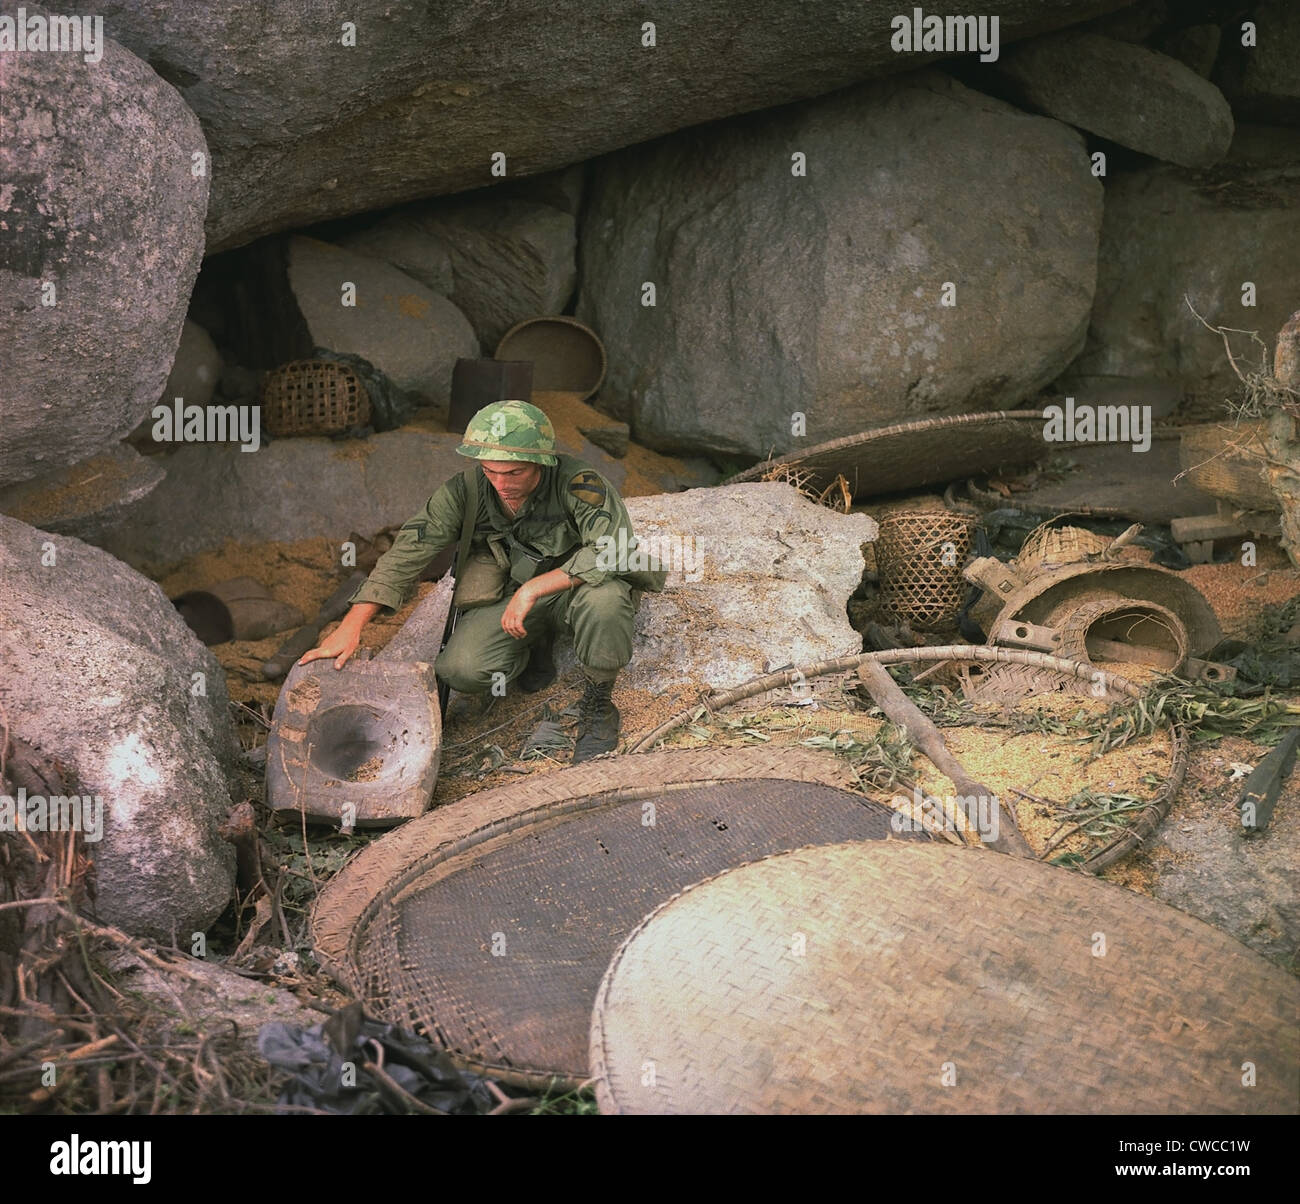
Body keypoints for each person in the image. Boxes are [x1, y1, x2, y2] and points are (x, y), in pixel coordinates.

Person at [298, 400, 665, 763]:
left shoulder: (580, 483)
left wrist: (532, 589)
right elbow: (407, 552)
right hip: (512, 593)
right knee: (461, 669)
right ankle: (534, 644)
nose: (501, 484)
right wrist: (352, 625)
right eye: (491, 471)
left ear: (541, 461)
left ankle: (599, 704)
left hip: (575, 590)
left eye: (514, 473)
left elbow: (613, 548)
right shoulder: (466, 491)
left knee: (606, 601)